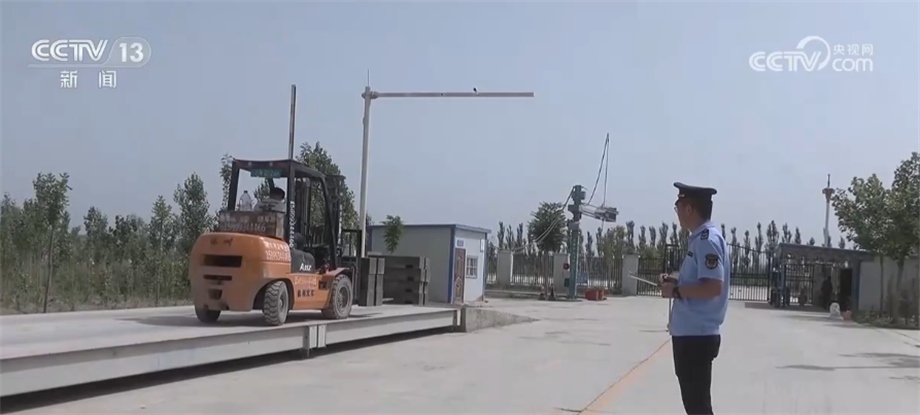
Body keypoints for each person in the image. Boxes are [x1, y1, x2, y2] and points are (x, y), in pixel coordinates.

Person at [659, 182, 730, 415]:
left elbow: (713, 286)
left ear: (689, 209)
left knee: (698, 408)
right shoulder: (701, 239)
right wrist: (676, 283)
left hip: (696, 337)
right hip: (692, 334)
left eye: (678, 207)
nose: (677, 212)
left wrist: (676, 292)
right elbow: (701, 282)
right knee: (696, 407)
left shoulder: (706, 240)